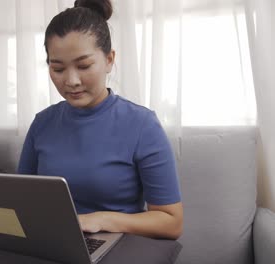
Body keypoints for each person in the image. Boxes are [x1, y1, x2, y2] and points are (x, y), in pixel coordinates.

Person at [17, 0, 183, 240]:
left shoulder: (142, 125)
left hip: (118, 244)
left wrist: (102, 219)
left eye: (84, 65)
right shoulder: (42, 123)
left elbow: (171, 222)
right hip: (54, 242)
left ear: (109, 60)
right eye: (58, 69)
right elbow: (21, 199)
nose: (71, 80)